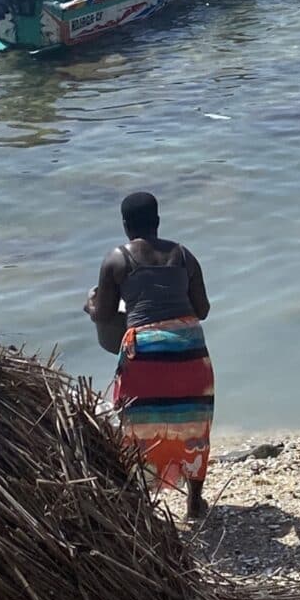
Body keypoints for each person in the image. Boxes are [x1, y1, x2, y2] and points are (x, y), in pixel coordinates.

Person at [86, 190, 215, 517]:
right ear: (158, 222)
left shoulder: (116, 259)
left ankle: (143, 506)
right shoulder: (185, 256)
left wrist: (89, 305)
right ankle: (194, 502)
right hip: (190, 349)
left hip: (144, 352)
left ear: (126, 225)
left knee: (137, 426)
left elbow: (103, 314)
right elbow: (202, 309)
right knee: (194, 423)